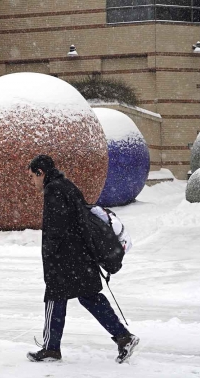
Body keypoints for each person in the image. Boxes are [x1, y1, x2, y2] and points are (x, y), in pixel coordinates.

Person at [26, 154, 139, 363]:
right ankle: (123, 337)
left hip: (65, 259)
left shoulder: (53, 190)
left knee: (54, 298)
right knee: (90, 298)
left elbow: (55, 231)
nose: (32, 182)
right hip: (80, 257)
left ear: (41, 173)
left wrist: (50, 262)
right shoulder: (67, 186)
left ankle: (51, 348)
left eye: (33, 177)